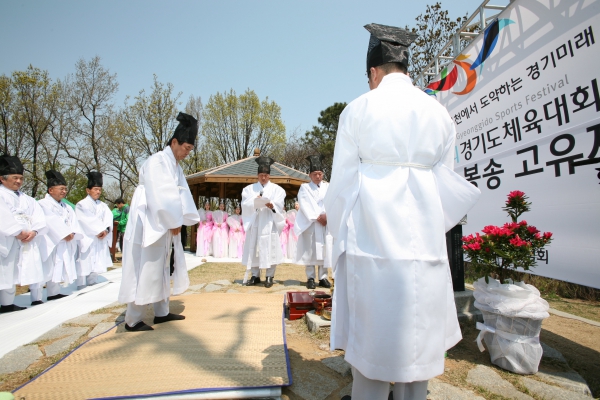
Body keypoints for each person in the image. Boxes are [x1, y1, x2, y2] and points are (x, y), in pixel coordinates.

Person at [324, 24, 480, 400]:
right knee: (419, 330)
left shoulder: (358, 109)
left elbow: (342, 184)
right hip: (424, 238)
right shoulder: (439, 114)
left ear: (373, 72)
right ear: (405, 69)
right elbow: (447, 184)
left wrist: (340, 230)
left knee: (373, 330)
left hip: (371, 237)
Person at [118, 112, 200, 332]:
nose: (186, 153)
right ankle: (133, 319)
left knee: (163, 265)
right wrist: (173, 220)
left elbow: (180, 194)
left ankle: (161, 312)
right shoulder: (156, 162)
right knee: (146, 266)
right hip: (150, 219)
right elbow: (161, 195)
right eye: (186, 148)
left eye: (190, 150)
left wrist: (179, 218)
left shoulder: (175, 165)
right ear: (174, 142)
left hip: (163, 220)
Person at [0, 155, 47, 312]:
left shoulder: (28, 199)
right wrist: (17, 232)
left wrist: (34, 231)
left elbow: (39, 216)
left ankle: (8, 303)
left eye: (20, 178)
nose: (18, 181)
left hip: (26, 239)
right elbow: (3, 217)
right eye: (15, 178)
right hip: (7, 239)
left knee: (12, 272)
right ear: (2, 178)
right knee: (4, 271)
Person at [33, 170, 86, 304]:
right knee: (44, 268)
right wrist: (64, 233)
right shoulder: (42, 204)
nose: (64, 192)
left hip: (63, 242)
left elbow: (74, 222)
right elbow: (50, 220)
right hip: (49, 241)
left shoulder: (67, 207)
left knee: (56, 268)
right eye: (61, 189)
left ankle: (53, 293)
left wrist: (72, 233)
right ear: (50, 190)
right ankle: (36, 297)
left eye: (65, 189)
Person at [240, 156, 286, 288]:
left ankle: (269, 276)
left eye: (266, 175)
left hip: (269, 223)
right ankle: (255, 275)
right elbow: (245, 204)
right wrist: (256, 198)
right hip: (255, 222)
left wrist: (273, 206)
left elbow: (279, 203)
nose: (263, 178)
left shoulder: (278, 189)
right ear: (257, 175)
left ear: (269, 175)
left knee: (270, 248)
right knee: (253, 248)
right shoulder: (249, 189)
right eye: (261, 175)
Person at [294, 155, 332, 289]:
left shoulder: (329, 187)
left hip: (325, 223)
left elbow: (333, 202)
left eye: (320, 174)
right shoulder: (305, 188)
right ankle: (310, 277)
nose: (318, 176)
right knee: (310, 250)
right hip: (311, 223)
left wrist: (327, 216)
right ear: (310, 175)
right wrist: (318, 216)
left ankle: (323, 277)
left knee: (323, 249)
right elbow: (304, 204)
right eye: (315, 174)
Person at [75, 172, 113, 289]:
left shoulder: (103, 205)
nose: (98, 192)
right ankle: (81, 283)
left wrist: (106, 230)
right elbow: (85, 220)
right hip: (88, 237)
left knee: (97, 259)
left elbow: (109, 218)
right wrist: (99, 230)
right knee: (84, 259)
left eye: (100, 190)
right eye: (96, 189)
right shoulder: (81, 204)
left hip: (100, 237)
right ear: (88, 190)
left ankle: (92, 280)